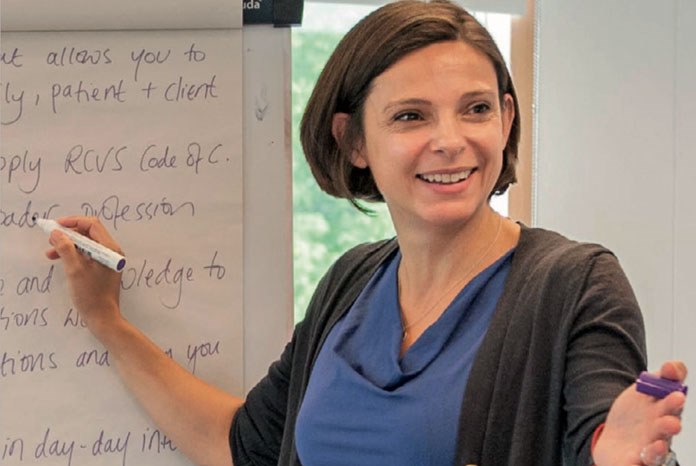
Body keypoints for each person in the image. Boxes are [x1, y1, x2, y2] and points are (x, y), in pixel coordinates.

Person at [41, 1, 687, 465]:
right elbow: (240, 444)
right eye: (411, 116)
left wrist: (621, 458)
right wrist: (109, 323)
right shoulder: (351, 283)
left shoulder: (575, 286)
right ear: (353, 141)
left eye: (477, 109)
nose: (451, 141)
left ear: (507, 118)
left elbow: (604, 443)